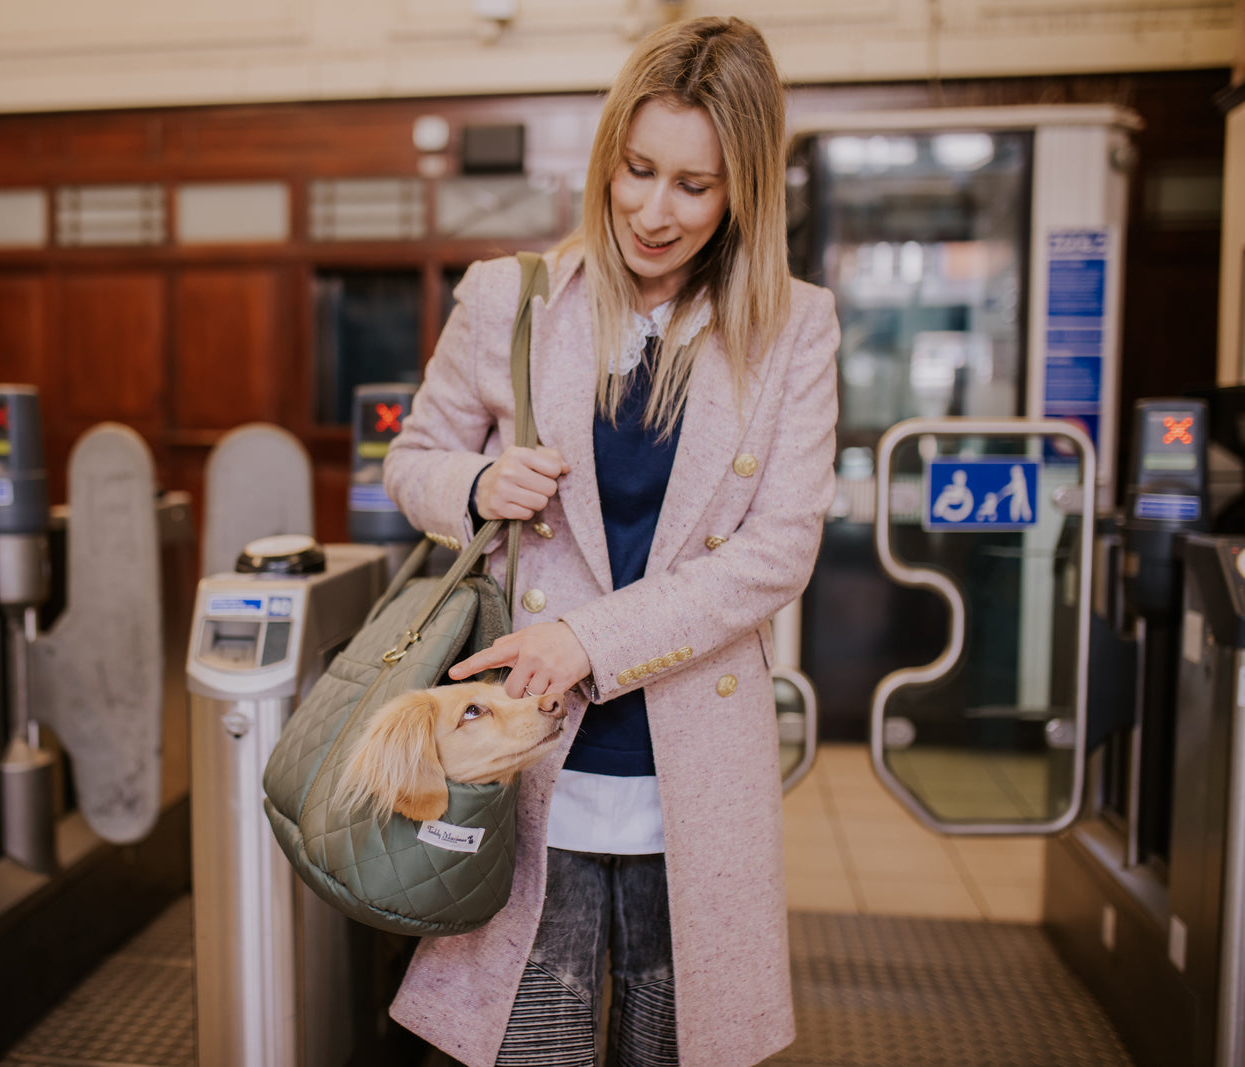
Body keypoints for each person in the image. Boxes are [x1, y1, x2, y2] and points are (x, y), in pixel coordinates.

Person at [382, 16, 839, 1067]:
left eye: (694, 185)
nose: (652, 209)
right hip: (525, 760)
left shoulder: (792, 327)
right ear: (607, 156)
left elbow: (775, 550)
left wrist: (587, 639)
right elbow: (412, 462)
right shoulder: (513, 296)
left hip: (692, 775)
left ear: (744, 193)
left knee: (670, 1046)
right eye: (636, 169)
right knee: (526, 1046)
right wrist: (480, 481)